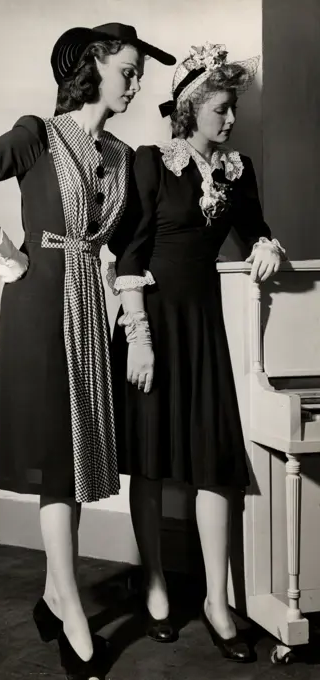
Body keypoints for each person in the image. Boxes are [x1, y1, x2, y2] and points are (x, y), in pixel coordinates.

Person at [0, 23, 175, 680]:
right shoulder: (38, 134)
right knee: (53, 454)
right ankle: (70, 610)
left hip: (86, 306)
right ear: (93, 64)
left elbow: (128, 245)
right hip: (39, 302)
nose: (134, 82)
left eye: (137, 73)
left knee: (74, 460)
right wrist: (0, 247)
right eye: (127, 69)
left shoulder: (123, 155)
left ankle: (51, 593)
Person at [109, 43, 286, 662]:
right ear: (190, 110)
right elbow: (128, 254)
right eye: (221, 108)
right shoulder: (152, 161)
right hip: (150, 324)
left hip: (202, 327)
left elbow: (256, 228)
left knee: (214, 461)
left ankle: (216, 599)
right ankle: (155, 585)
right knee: (151, 459)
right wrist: (139, 340)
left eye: (233, 108)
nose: (231, 119)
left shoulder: (238, 171)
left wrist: (266, 245)